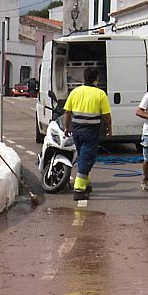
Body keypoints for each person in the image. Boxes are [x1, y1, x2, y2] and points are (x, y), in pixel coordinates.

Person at [60, 67, 112, 199]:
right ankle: (79, 190)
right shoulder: (100, 94)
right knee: (86, 159)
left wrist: (67, 127)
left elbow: (67, 112)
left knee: (83, 156)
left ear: (84, 78)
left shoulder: (75, 92)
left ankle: (86, 185)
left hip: (77, 131)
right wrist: (109, 129)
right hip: (91, 132)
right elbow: (106, 116)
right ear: (96, 79)